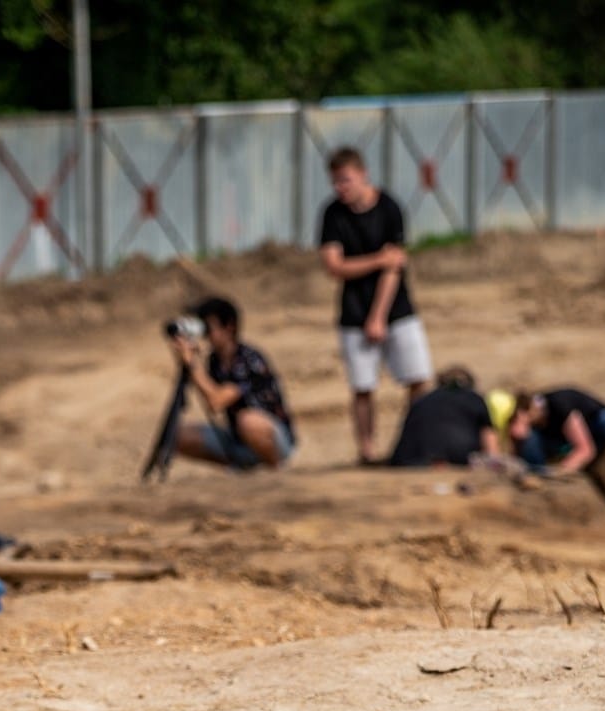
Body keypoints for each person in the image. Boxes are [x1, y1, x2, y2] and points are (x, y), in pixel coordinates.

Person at [317, 147, 431, 466]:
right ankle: (367, 451)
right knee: (363, 386)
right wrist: (377, 260)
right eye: (335, 182)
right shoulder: (332, 213)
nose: (340, 188)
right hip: (353, 313)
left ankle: (415, 442)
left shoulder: (390, 207)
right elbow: (333, 266)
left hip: (397, 310)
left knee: (418, 378)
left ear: (362, 173)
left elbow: (393, 268)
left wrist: (378, 317)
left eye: (345, 180)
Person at [165, 295, 297, 470]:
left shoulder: (250, 359)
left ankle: (275, 470)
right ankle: (242, 469)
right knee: (176, 435)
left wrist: (192, 365)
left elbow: (217, 400)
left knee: (247, 421)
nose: (207, 335)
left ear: (229, 327)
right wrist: (187, 364)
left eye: (209, 327)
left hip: (275, 439)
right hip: (238, 439)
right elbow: (211, 405)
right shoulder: (214, 361)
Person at [505, 387, 605, 517]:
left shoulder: (558, 405)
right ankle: (537, 491)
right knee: (531, 439)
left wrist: (562, 470)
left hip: (597, 425)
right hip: (562, 441)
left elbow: (586, 449)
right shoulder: (533, 424)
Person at [382, 367, 501, 468]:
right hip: (458, 457)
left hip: (411, 459)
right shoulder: (475, 399)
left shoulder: (422, 400)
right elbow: (491, 446)